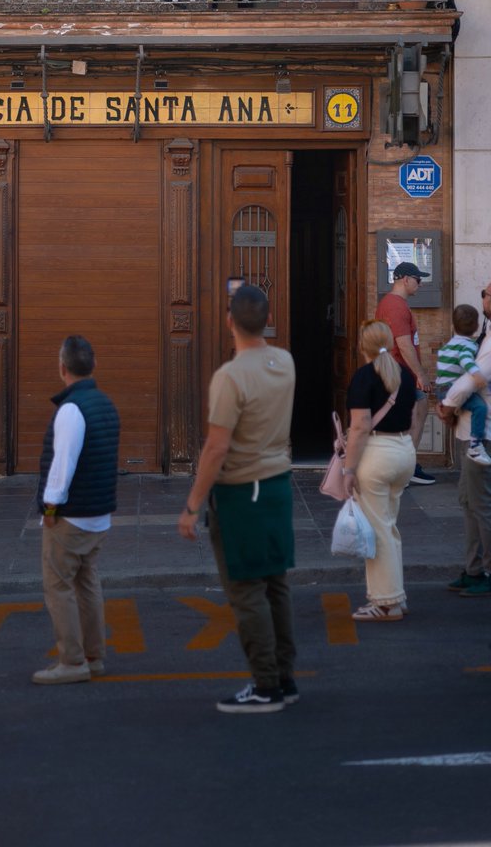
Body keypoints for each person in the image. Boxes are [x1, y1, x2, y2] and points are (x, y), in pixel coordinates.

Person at [178, 284, 297, 714]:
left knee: (246, 590)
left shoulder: (229, 377)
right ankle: (285, 676)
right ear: (267, 320)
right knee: (276, 583)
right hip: (278, 485)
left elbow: (216, 448)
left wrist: (193, 504)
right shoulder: (284, 361)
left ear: (229, 321)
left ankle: (265, 685)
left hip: (241, 492)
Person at [33, 335, 120, 685]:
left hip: (72, 515)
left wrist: (50, 508)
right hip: (99, 515)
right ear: (93, 365)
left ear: (62, 368)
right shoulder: (105, 403)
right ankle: (94, 657)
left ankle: (72, 662)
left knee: (59, 587)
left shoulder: (71, 409)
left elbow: (62, 465)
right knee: (87, 584)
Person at [343, 319, 416, 621]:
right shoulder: (405, 376)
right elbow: (413, 419)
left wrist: (348, 469)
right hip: (403, 452)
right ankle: (395, 597)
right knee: (389, 527)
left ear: (363, 346)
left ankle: (385, 603)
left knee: (377, 532)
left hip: (376, 455)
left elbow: (359, 427)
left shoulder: (363, 377)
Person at [440, 280, 491, 597]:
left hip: (481, 433)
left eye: (486, 293)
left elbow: (475, 377)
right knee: (468, 501)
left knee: (481, 503)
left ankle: (484, 569)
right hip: (469, 428)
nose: (482, 296)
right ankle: (473, 568)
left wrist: (447, 404)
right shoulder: (482, 334)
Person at [375, 261, 435, 484]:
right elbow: (404, 344)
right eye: (418, 280)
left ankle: (406, 466)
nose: (419, 284)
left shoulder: (394, 304)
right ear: (405, 279)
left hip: (397, 371)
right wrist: (420, 374)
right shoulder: (395, 306)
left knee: (413, 413)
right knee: (418, 410)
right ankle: (406, 467)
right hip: (400, 372)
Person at [434, 304, 490, 466]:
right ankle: (475, 445)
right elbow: (465, 359)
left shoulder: (448, 346)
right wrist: (476, 374)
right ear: (477, 326)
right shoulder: (469, 346)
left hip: (442, 389)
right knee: (480, 408)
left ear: (453, 326)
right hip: (451, 389)